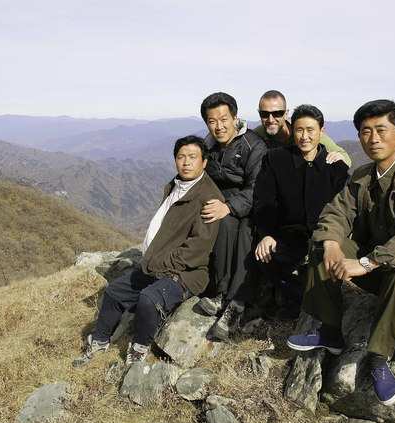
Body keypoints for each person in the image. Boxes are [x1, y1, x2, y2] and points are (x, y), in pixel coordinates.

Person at [287, 99, 395, 406]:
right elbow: (336, 212)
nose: (373, 139)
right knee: (323, 243)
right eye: (365, 131)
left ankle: (378, 355)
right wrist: (333, 244)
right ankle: (330, 330)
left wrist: (368, 261)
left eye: (381, 130)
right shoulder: (362, 177)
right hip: (372, 267)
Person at [73, 135, 223, 367]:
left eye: (193, 157)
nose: (186, 162)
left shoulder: (208, 198)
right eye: (181, 157)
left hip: (186, 273)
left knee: (148, 299)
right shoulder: (175, 186)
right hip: (156, 264)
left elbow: (198, 250)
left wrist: (159, 263)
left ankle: (139, 347)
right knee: (114, 292)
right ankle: (100, 340)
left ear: (204, 162)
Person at [252, 104, 349, 319]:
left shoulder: (335, 167)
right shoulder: (276, 159)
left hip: (324, 235)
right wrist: (267, 234)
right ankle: (293, 301)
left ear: (321, 132)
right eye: (299, 130)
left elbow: (345, 208)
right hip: (288, 234)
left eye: (310, 130)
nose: (304, 136)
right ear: (292, 130)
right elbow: (264, 200)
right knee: (265, 255)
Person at [198, 92, 268, 341]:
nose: (219, 126)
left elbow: (257, 187)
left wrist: (229, 206)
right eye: (212, 121)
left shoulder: (253, 145)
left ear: (235, 117)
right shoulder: (207, 147)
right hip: (225, 207)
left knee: (247, 232)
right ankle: (222, 294)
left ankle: (236, 303)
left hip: (253, 207)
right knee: (225, 226)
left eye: (223, 118)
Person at [253, 89, 353, 167]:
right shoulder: (256, 136)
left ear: (286, 113)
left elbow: (345, 158)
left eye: (277, 113)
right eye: (264, 114)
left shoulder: (305, 133)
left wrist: (338, 158)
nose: (271, 119)